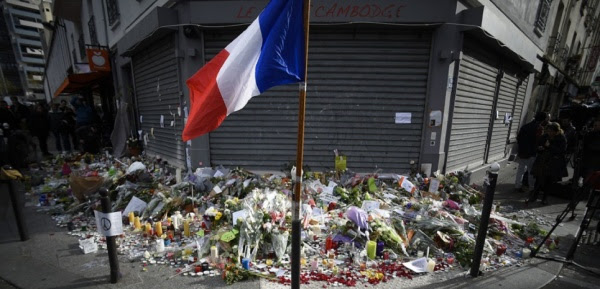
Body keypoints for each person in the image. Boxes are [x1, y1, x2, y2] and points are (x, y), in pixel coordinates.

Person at [528, 122, 568, 205]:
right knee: (539, 179)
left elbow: (561, 151)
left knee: (549, 181)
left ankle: (544, 198)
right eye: (548, 131)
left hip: (553, 162)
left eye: (551, 131)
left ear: (556, 131)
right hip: (542, 160)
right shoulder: (545, 137)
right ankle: (534, 196)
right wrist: (540, 148)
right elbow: (538, 146)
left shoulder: (561, 138)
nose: (549, 133)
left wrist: (549, 146)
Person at [515, 112, 550, 192]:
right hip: (532, 152)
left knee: (520, 170)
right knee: (531, 171)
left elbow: (519, 138)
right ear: (543, 119)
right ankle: (531, 188)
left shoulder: (525, 126)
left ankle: (517, 186)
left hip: (522, 151)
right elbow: (538, 140)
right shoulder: (539, 128)